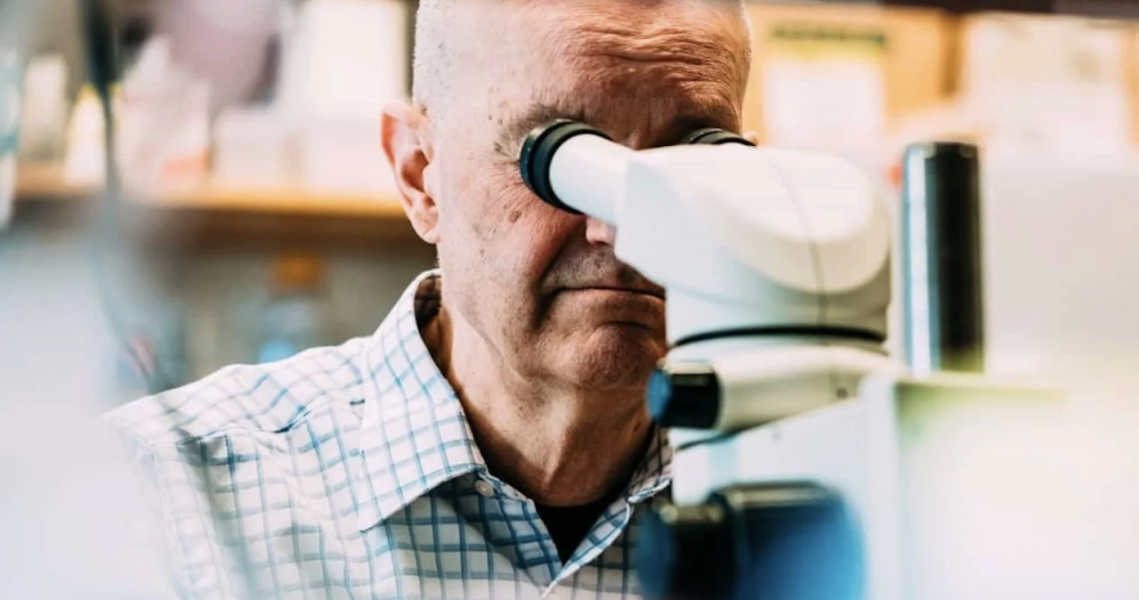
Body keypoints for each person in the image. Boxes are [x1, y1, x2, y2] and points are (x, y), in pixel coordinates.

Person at [105, 1, 753, 598]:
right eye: (563, 159)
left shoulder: (795, 499)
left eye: (687, 161)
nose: (624, 226)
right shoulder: (163, 503)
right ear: (418, 172)